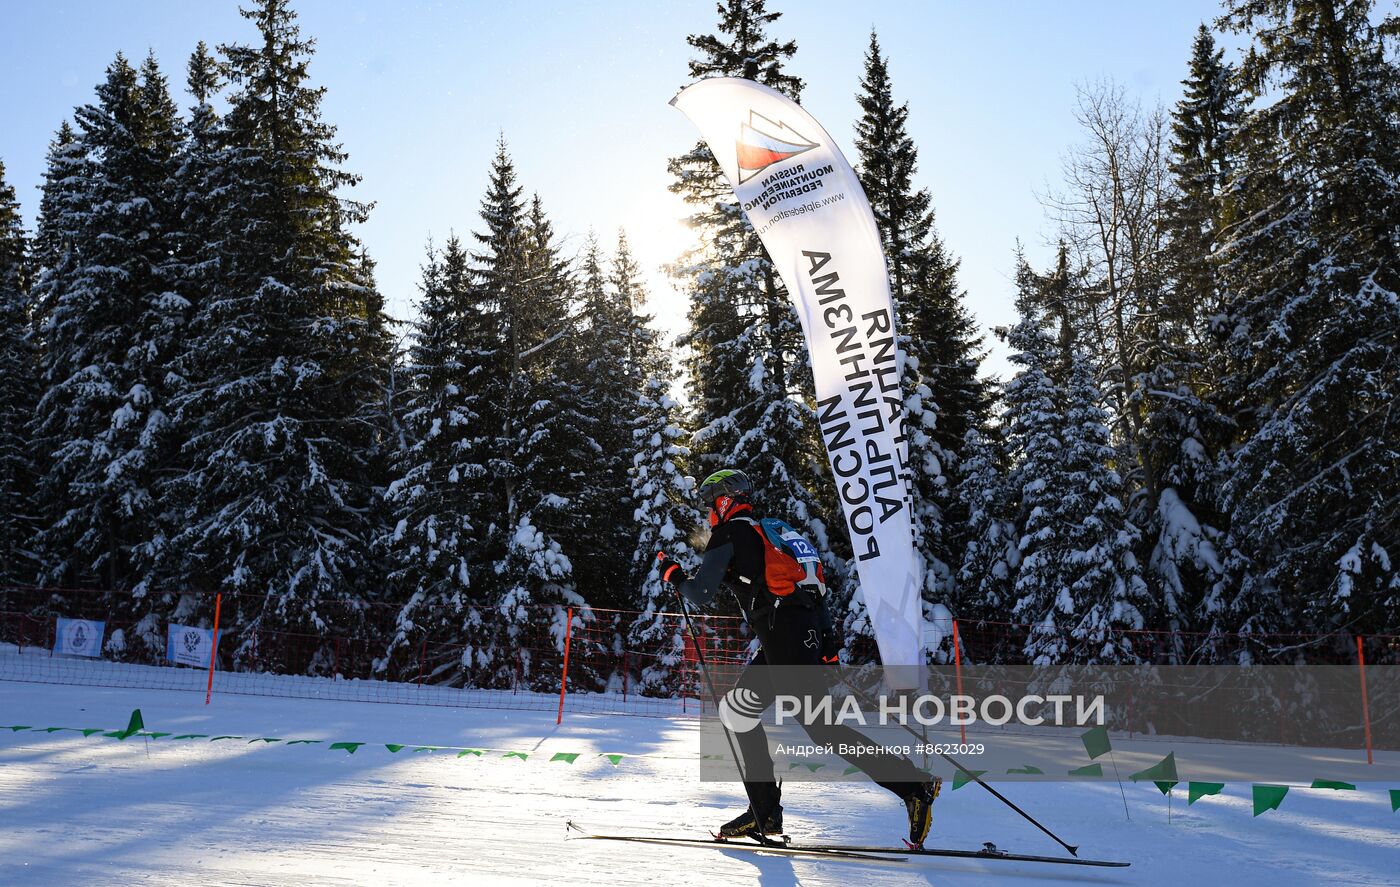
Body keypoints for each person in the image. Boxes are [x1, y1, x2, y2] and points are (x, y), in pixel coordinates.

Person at [656, 468, 941, 846]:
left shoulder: (731, 532)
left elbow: (701, 592)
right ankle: (764, 813)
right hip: (794, 637)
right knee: (737, 712)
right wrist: (824, 644)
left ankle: (914, 787)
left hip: (785, 640)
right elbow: (813, 586)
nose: (708, 515)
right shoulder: (773, 532)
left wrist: (671, 573)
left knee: (823, 729)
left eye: (710, 505)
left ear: (724, 501)